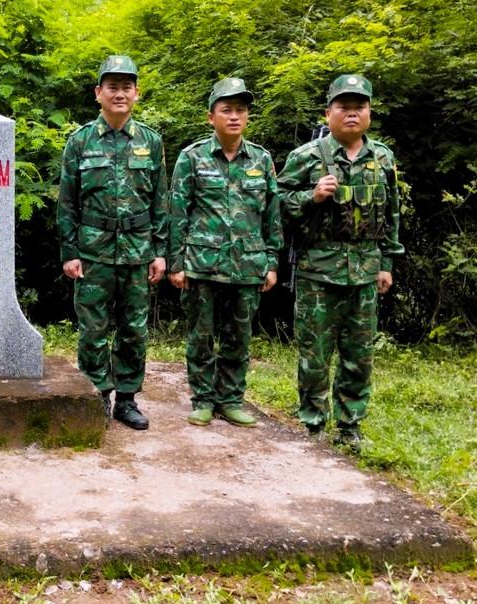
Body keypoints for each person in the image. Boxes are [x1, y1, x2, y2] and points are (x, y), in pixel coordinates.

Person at [277, 74, 403, 450]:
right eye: (344, 107)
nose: (352, 113)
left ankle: (350, 427)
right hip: (318, 270)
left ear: (369, 112)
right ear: (328, 112)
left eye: (359, 107)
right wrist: (311, 197)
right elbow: (277, 205)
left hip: (365, 271)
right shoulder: (307, 156)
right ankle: (313, 425)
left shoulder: (382, 157)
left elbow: (392, 213)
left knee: (359, 356)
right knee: (314, 356)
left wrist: (386, 264)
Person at [57, 55, 168, 430]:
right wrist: (69, 252)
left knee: (134, 329)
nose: (120, 93)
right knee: (93, 328)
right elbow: (68, 201)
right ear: (98, 93)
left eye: (127, 86)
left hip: (138, 251)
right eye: (112, 86)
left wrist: (160, 252)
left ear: (136, 93)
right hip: (93, 251)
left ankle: (128, 399)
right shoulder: (80, 141)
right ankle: (97, 395)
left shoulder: (151, 143)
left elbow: (160, 201)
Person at [168, 78, 283, 428]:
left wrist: (272, 260)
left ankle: (231, 399)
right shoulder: (192, 157)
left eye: (241, 111)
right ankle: (202, 399)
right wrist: (177, 262)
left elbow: (272, 213)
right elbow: (177, 212)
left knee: (239, 336)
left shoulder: (261, 159)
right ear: (211, 117)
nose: (234, 117)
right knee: (201, 336)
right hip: (202, 264)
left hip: (248, 263)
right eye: (226, 110)